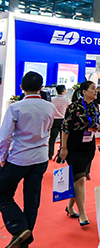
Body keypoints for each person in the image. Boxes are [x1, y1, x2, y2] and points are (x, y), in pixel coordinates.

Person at [0, 72, 55, 248]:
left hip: (19, 157)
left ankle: (19, 228)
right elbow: (49, 129)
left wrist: (2, 158)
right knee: (32, 200)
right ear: (41, 87)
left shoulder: (16, 107)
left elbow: (4, 137)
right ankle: (24, 240)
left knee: (3, 194)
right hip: (40, 157)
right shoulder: (50, 107)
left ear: (21, 87)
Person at [59, 81, 100, 226]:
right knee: (80, 179)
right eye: (93, 89)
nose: (96, 91)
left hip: (89, 145)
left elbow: (95, 122)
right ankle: (82, 213)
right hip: (74, 145)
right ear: (84, 92)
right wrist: (63, 148)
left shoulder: (95, 106)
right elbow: (65, 128)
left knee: (79, 178)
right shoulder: (73, 107)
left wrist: (99, 127)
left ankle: (70, 207)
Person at [49, 84, 70, 160]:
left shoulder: (52, 99)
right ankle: (60, 155)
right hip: (63, 120)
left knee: (52, 138)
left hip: (54, 120)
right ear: (64, 91)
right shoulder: (67, 100)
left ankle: (50, 154)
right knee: (63, 139)